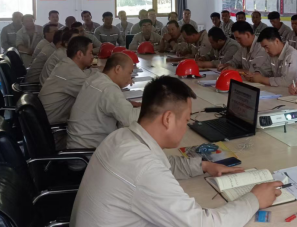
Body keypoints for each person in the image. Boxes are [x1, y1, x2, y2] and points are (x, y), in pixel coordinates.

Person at [70, 76, 282, 227]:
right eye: (186, 119)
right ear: (168, 119)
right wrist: (254, 199)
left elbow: (163, 164)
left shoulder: (122, 136)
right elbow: (202, 224)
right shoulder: (143, 168)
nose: (187, 125)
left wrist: (203, 165)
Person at [67, 53, 141, 152]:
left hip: (77, 146)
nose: (130, 78)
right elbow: (130, 118)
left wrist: (126, 103)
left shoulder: (94, 79)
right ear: (118, 69)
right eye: (129, 73)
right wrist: (152, 107)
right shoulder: (108, 89)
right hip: (89, 152)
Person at [39, 36, 96, 127]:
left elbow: (85, 74)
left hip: (46, 120)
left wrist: (99, 71)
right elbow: (95, 94)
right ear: (80, 54)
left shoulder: (66, 65)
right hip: (52, 127)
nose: (93, 57)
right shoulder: (70, 73)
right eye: (91, 53)